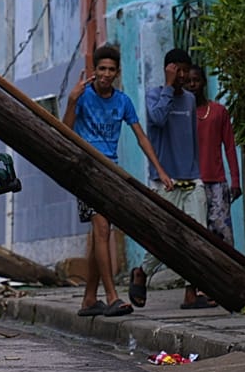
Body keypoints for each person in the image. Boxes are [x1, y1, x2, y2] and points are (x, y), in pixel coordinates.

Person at [62, 43, 170, 318]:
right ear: (94, 71)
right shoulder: (83, 96)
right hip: (86, 169)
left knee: (100, 234)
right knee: (102, 229)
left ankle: (89, 299)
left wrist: (160, 170)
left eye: (111, 69)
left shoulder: (123, 101)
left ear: (117, 73)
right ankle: (111, 296)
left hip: (112, 172)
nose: (106, 74)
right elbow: (64, 130)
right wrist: (72, 100)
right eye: (101, 69)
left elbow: (141, 137)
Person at [134, 48, 214, 309]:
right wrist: (169, 87)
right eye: (176, 70)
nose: (181, 76)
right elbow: (156, 120)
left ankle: (192, 292)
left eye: (184, 70)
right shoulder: (153, 95)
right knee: (163, 237)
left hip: (191, 178)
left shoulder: (190, 100)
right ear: (167, 70)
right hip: (163, 180)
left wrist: (196, 171)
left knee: (197, 236)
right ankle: (143, 272)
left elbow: (191, 137)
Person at [187, 64, 241, 245]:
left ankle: (228, 271)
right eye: (188, 81)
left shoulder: (218, 111)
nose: (192, 84)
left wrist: (235, 180)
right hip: (192, 184)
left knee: (223, 233)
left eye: (196, 80)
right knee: (199, 234)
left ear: (203, 82)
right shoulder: (182, 113)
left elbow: (230, 147)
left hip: (217, 182)